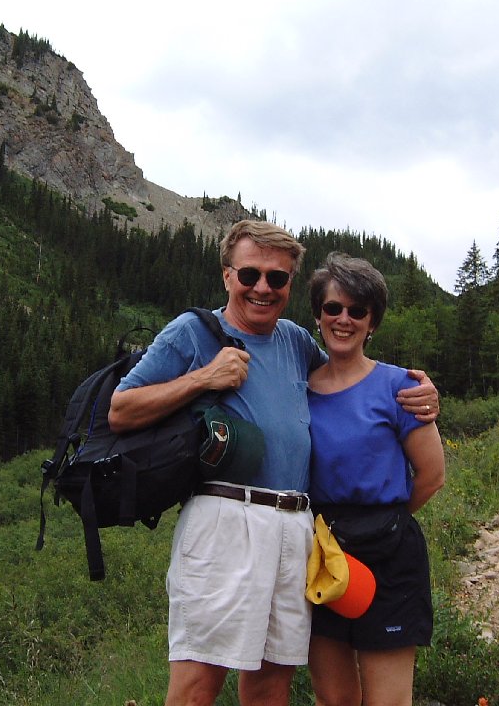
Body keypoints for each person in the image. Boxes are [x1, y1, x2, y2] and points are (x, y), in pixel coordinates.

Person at [107, 221, 439, 706]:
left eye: (277, 278)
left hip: (296, 530)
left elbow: (348, 377)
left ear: (288, 286)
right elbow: (120, 409)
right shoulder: (192, 332)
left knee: (269, 684)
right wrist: (204, 378)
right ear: (227, 275)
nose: (262, 288)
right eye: (250, 275)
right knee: (197, 685)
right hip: (226, 520)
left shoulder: (295, 341)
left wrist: (421, 395)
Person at [305, 252, 445, 706]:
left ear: (372, 323)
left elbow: (432, 475)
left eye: (357, 310)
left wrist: (387, 522)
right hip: (324, 554)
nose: (343, 319)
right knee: (334, 698)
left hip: (390, 559)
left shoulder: (401, 387)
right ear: (318, 315)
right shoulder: (299, 388)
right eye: (333, 308)